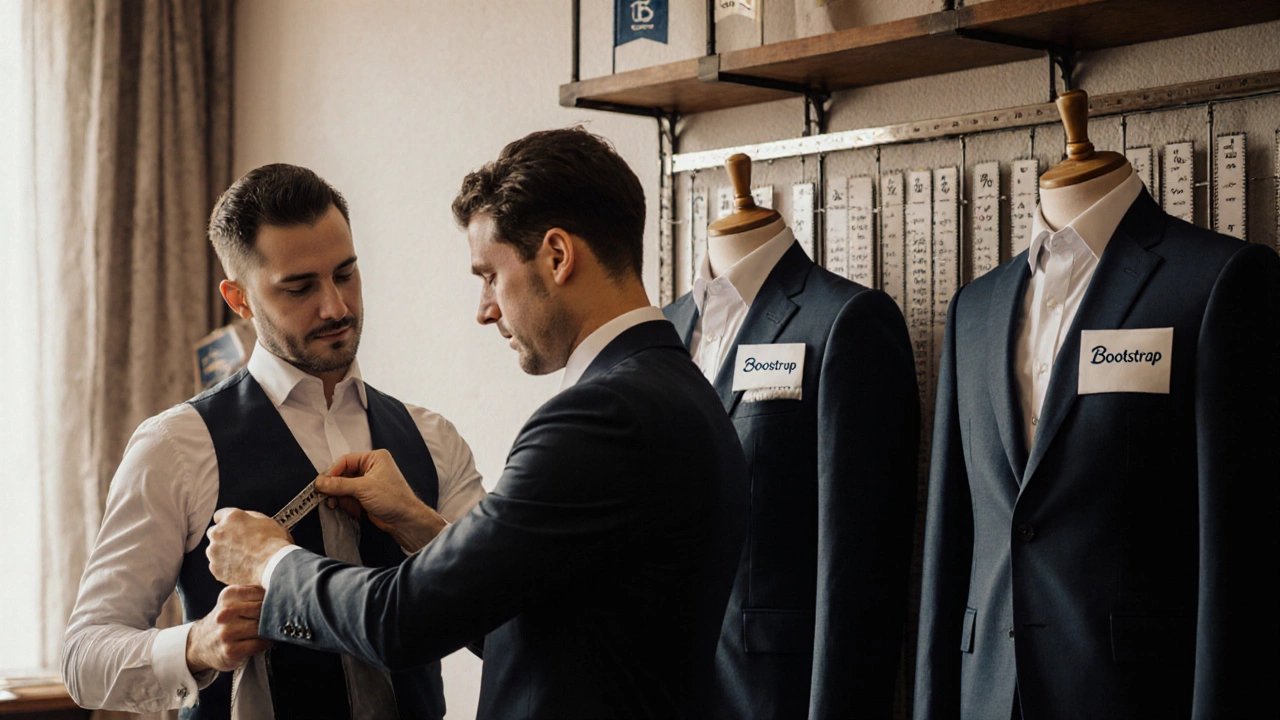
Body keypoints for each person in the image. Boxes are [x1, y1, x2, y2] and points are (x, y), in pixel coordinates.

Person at [204, 127, 750, 720]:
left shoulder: (597, 418)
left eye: (489, 275)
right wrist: (417, 523)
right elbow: (535, 629)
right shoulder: (681, 387)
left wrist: (270, 562)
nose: (485, 309)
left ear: (558, 256)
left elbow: (401, 622)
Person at [62, 164, 486, 720]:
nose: (336, 307)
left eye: (346, 273)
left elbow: (502, 618)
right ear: (239, 299)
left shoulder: (433, 440)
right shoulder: (176, 446)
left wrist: (420, 528)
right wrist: (196, 645)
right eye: (300, 287)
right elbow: (83, 658)